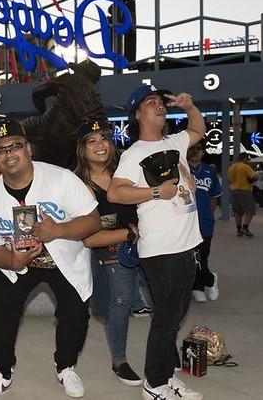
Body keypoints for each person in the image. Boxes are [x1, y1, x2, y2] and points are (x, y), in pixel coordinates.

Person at [0, 119, 100, 400]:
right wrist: (12, 262)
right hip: (18, 261)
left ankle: (65, 365)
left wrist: (59, 230)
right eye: (0, 149)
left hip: (63, 259)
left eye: (15, 146)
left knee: (75, 314)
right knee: (2, 312)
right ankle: (2, 371)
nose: (9, 154)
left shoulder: (61, 178)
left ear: (28, 148)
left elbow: (93, 221)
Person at [107, 84, 205, 400]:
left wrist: (190, 106)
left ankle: (165, 376)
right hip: (161, 249)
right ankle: (155, 383)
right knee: (165, 318)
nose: (159, 106)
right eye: (150, 103)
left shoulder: (175, 141)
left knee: (174, 316)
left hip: (186, 244)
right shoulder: (134, 153)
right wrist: (154, 192)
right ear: (138, 114)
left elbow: (198, 130)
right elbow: (115, 192)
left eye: (160, 102)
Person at [73, 119, 144, 387]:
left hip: (146, 246)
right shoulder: (78, 184)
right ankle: (119, 361)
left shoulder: (126, 171)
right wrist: (129, 234)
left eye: (104, 138)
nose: (100, 144)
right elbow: (88, 238)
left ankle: (165, 352)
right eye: (92, 141)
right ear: (82, 148)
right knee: (120, 303)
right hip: (111, 250)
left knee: (162, 298)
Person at [187, 142, 222, 303]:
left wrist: (209, 214)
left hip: (204, 222)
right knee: (190, 259)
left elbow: (214, 197)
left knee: (202, 257)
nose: (195, 152)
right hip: (185, 223)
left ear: (203, 152)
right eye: (191, 149)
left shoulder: (210, 171)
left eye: (198, 149)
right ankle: (208, 280)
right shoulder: (181, 170)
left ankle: (199, 287)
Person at [227, 152, 257, 237]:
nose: (248, 161)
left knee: (238, 212)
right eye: (247, 159)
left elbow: (229, 180)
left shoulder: (231, 168)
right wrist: (250, 180)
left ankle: (238, 230)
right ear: (244, 158)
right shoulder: (245, 167)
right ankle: (245, 227)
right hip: (245, 190)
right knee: (251, 210)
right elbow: (254, 177)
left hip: (234, 190)